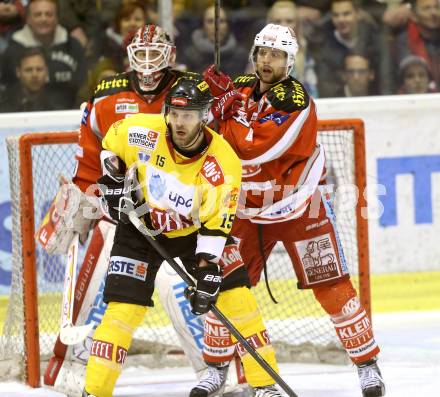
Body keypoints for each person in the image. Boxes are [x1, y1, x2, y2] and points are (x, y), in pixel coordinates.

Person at [202, 23, 386, 397]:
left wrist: (229, 113)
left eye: (277, 55)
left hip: (299, 204)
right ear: (254, 55)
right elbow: (201, 126)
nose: (268, 60)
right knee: (222, 286)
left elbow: (253, 148)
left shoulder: (295, 99)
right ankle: (216, 369)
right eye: (263, 53)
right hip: (247, 209)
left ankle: (367, 365)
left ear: (290, 61)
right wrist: (209, 100)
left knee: (332, 286)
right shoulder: (239, 86)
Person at [37, 24, 212, 394]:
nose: (148, 63)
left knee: (184, 294)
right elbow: (89, 162)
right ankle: (64, 369)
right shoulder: (106, 95)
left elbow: (212, 151)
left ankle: (217, 374)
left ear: (170, 56)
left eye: (155, 54)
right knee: (103, 295)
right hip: (122, 220)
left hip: (177, 220)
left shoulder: (190, 92)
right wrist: (84, 197)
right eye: (141, 54)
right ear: (129, 55)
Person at [82, 77, 281, 397]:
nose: (179, 122)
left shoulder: (223, 162)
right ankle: (94, 392)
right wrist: (114, 176)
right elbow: (110, 143)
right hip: (140, 228)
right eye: (174, 114)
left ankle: (265, 386)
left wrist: (207, 270)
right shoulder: (141, 131)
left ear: (204, 116)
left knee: (238, 300)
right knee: (121, 312)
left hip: (195, 233)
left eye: (187, 115)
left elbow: (216, 226)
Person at [1, 0, 85, 107]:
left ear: (57, 18)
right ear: (28, 19)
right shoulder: (13, 50)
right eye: (38, 15)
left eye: (49, 14)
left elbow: (83, 85)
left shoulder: (73, 45)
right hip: (23, 115)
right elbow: (7, 90)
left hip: (69, 114)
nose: (44, 19)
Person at [181, 4, 248, 76]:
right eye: (210, 21)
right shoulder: (189, 55)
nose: (216, 26)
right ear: (202, 25)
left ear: (228, 25)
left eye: (221, 21)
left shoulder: (241, 56)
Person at [0, 46, 68, 112]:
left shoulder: (58, 103)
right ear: (18, 72)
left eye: (39, 69)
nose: (34, 75)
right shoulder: (3, 101)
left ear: (47, 72)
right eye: (28, 70)